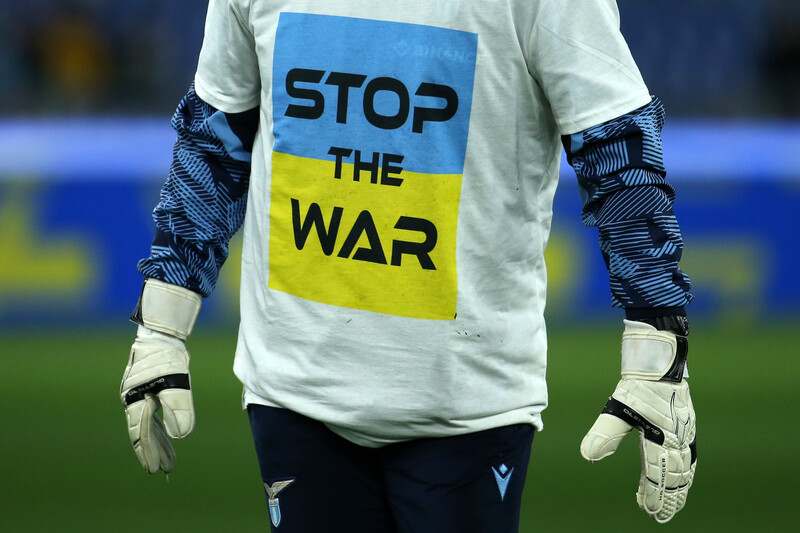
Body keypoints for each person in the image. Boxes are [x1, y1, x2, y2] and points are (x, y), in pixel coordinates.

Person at [120, 1, 697, 531]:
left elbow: (618, 150)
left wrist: (657, 356)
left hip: (467, 404)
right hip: (294, 388)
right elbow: (214, 139)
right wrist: (161, 327)